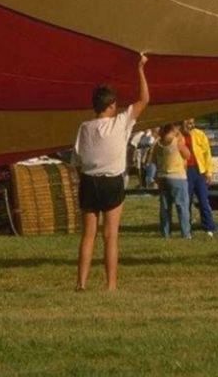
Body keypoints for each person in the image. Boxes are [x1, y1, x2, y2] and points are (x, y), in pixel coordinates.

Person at [73, 53, 150, 291]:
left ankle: (81, 283)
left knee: (88, 236)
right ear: (110, 106)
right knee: (110, 236)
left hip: (89, 181)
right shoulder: (120, 123)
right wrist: (140, 68)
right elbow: (145, 99)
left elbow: (77, 158)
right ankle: (111, 285)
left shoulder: (84, 128)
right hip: (112, 182)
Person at [152, 123, 192, 239]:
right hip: (177, 176)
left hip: (162, 176)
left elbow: (153, 160)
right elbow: (187, 155)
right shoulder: (177, 142)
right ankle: (185, 233)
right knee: (182, 206)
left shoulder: (158, 144)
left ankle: (165, 233)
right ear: (172, 130)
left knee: (165, 207)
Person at [180, 118, 216, 236]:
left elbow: (207, 154)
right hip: (185, 171)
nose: (190, 125)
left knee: (203, 200)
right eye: (188, 123)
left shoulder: (199, 134)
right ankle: (187, 227)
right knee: (187, 201)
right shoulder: (178, 136)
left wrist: (209, 172)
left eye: (192, 123)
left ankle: (209, 227)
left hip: (199, 171)